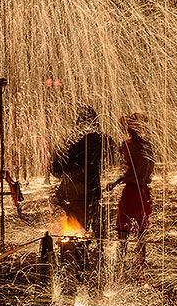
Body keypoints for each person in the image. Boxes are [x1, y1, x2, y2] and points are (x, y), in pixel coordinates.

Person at [51, 106, 114, 237]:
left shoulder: (74, 144)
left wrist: (57, 155)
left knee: (77, 229)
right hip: (91, 191)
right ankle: (100, 249)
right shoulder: (101, 140)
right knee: (97, 226)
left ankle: (77, 251)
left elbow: (57, 171)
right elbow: (112, 154)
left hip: (76, 194)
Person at [106, 113, 155, 268]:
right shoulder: (148, 146)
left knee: (123, 230)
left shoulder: (127, 145)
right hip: (145, 192)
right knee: (142, 228)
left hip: (131, 192)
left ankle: (120, 261)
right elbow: (147, 170)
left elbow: (130, 173)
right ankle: (141, 261)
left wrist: (115, 183)